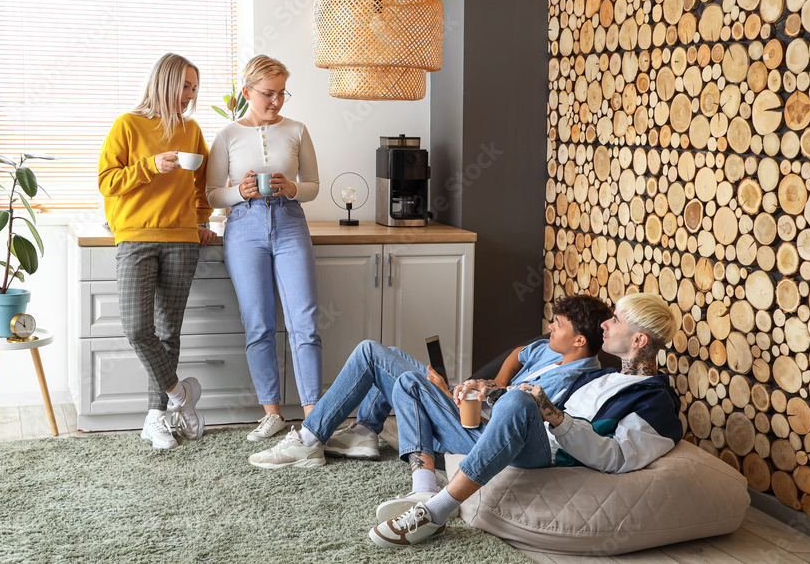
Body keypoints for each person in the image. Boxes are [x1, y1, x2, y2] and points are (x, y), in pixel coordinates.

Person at [368, 292, 681, 548]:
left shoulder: (655, 402)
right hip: (515, 437)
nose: (606, 325)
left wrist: (553, 415)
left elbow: (615, 457)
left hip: (547, 454)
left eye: (615, 320)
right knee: (412, 381)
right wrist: (487, 388)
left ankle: (435, 512)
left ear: (639, 340)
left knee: (519, 399)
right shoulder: (602, 377)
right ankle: (421, 488)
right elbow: (522, 369)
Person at [247, 294, 612, 471]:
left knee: (372, 354)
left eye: (559, 325)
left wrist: (442, 393)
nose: (551, 327)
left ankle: (310, 440)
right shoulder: (551, 350)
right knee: (386, 352)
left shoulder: (577, 381)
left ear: (580, 340)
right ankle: (364, 431)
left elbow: (516, 424)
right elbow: (520, 352)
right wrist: (490, 381)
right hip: (470, 409)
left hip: (479, 434)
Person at [98, 53, 216, 451]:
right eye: (185, 86)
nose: (190, 95)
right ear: (164, 83)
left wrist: (200, 221)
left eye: (195, 88)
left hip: (182, 239)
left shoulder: (192, 130)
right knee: (137, 329)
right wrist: (150, 166)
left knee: (168, 333)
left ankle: (156, 418)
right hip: (135, 237)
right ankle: (181, 394)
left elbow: (203, 189)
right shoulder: (127, 126)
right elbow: (108, 182)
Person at [205, 55, 322, 442]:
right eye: (268, 94)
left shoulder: (298, 130)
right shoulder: (227, 136)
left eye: (281, 93)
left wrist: (292, 188)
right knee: (259, 324)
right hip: (244, 227)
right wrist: (238, 192)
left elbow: (314, 185)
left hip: (289, 222)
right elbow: (211, 194)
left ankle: (313, 417)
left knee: (304, 323)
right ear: (247, 92)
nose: (276, 101)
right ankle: (271, 413)